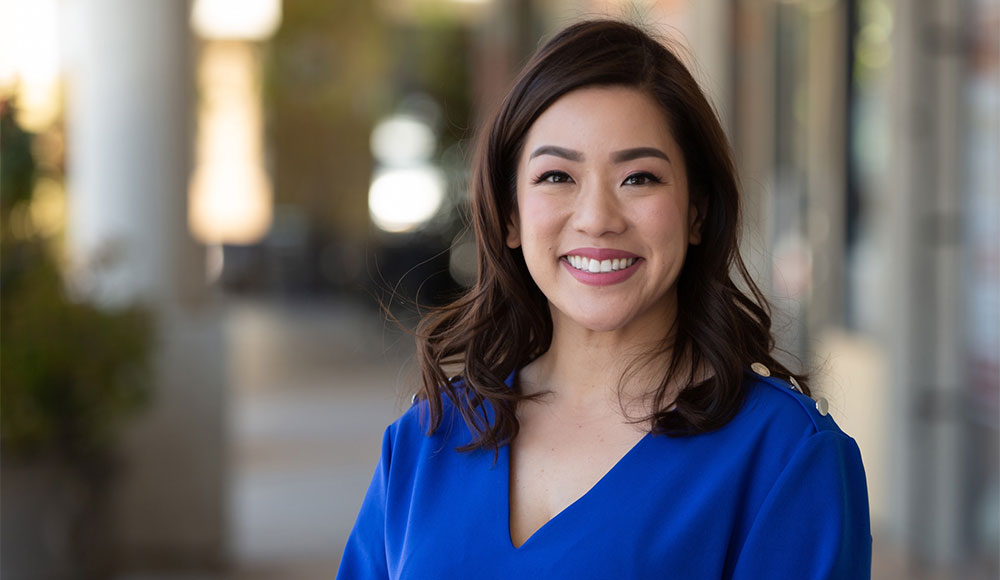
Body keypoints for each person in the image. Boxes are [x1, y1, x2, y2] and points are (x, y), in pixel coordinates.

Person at [337, 19, 872, 579]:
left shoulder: (784, 456)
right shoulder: (426, 442)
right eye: (555, 177)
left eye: (639, 178)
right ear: (511, 214)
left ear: (697, 211)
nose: (596, 219)